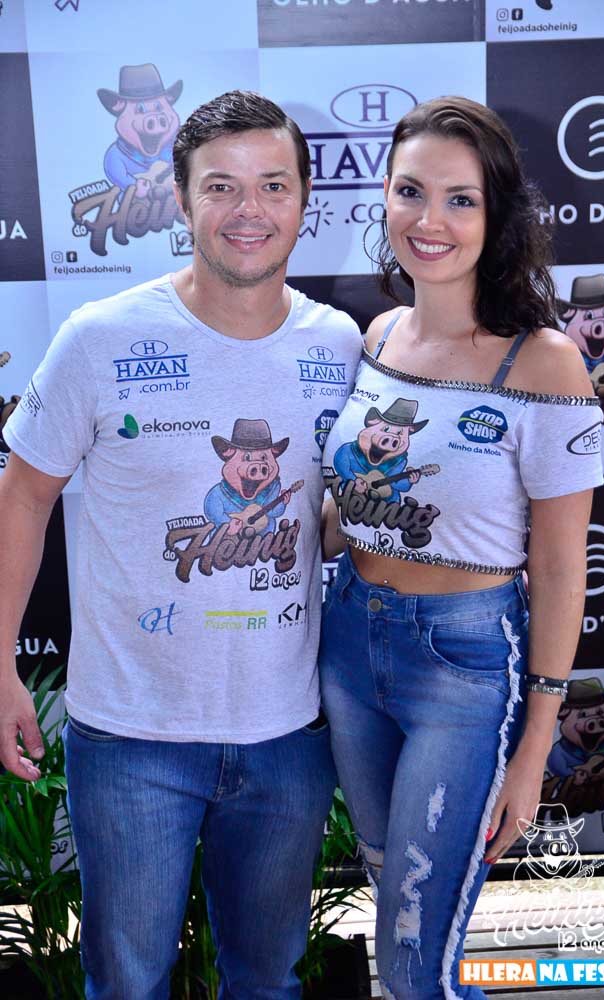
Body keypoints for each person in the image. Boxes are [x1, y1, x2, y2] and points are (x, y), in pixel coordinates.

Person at [0, 90, 362, 999]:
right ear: (180, 196)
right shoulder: (100, 339)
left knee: (269, 983)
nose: (250, 210)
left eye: (273, 185)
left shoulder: (341, 345)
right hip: (131, 739)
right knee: (126, 984)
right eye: (221, 186)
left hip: (286, 737)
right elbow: (24, 496)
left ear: (305, 198)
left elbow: (326, 522)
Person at [319, 96, 603, 1000]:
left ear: (497, 214)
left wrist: (535, 746)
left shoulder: (545, 361)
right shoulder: (378, 337)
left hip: (465, 665)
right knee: (407, 926)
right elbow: (353, 502)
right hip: (348, 644)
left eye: (460, 199)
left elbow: (559, 568)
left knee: (412, 961)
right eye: (410, 191)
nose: (429, 220)